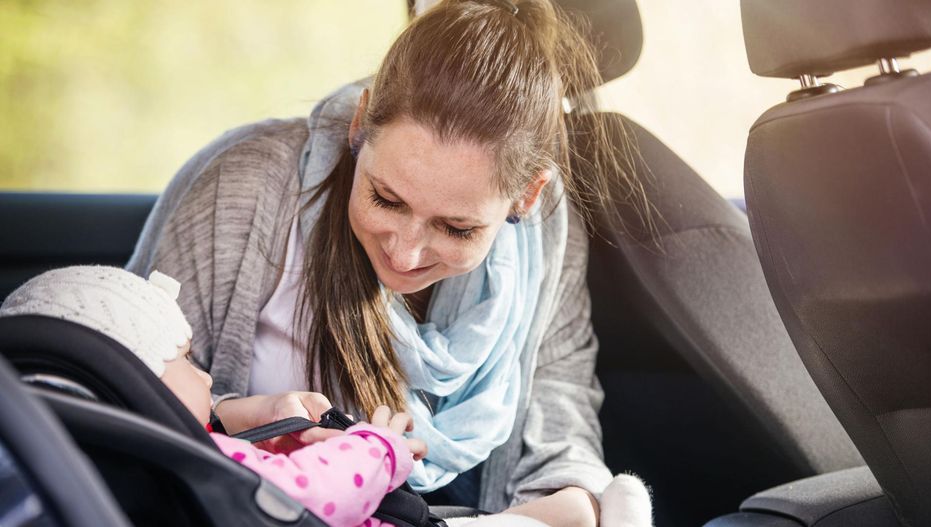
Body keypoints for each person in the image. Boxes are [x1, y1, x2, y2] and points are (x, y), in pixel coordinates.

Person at [127, 1, 654, 525]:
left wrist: (576, 502)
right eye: (385, 198)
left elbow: (561, 432)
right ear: (361, 122)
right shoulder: (245, 188)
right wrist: (243, 417)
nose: (404, 253)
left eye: (457, 228)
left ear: (527, 196)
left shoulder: (547, 237)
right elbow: (123, 392)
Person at [0, 265, 429, 527]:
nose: (206, 378)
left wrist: (228, 417)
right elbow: (318, 495)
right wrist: (377, 448)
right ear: (135, 386)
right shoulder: (193, 465)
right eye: (185, 360)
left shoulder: (108, 462)